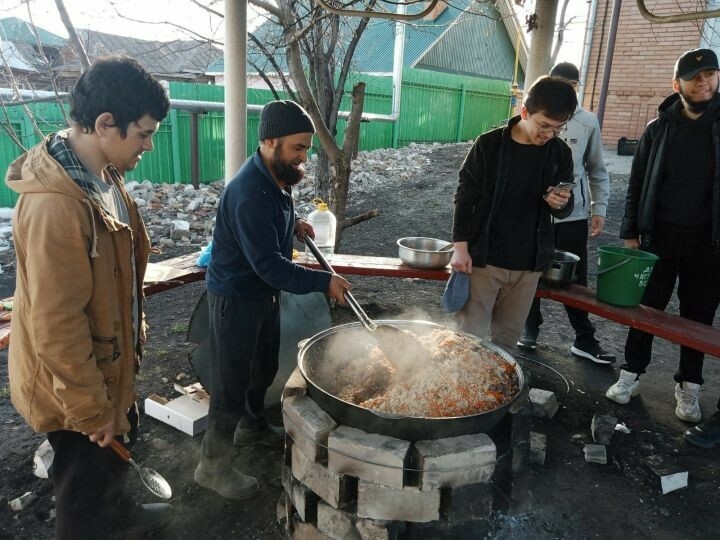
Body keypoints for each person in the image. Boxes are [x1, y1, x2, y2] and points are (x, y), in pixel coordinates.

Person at [5, 56, 171, 539]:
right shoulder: (57, 205)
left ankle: (119, 518)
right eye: (142, 133)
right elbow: (56, 324)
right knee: (82, 487)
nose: (148, 144)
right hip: (73, 382)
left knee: (112, 466)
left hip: (107, 362)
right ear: (104, 125)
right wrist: (92, 409)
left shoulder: (102, 175)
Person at [194, 100, 351, 500]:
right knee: (230, 387)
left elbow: (272, 226)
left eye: (306, 148)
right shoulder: (248, 192)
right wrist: (324, 282)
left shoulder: (276, 178)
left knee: (261, 368)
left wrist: (292, 224)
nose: (304, 156)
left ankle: (253, 426)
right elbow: (271, 267)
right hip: (236, 298)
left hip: (261, 296)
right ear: (269, 141)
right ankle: (212, 468)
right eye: (298, 148)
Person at [605, 48, 720, 425]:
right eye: (695, 77)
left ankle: (689, 385)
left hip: (709, 241)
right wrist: (630, 232)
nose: (704, 83)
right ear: (677, 85)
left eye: (711, 75)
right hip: (660, 236)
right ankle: (631, 373)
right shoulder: (658, 129)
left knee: (698, 318)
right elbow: (637, 185)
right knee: (647, 308)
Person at [449, 76, 577, 349]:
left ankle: (499, 391)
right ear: (525, 112)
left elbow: (566, 207)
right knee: (468, 339)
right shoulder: (489, 145)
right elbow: (465, 195)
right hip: (485, 259)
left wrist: (560, 203)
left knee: (506, 342)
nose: (549, 135)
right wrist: (460, 247)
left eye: (558, 129)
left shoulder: (560, 153)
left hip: (528, 265)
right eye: (543, 126)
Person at [517, 62, 616, 364]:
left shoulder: (587, 122)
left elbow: (597, 168)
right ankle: (529, 327)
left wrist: (598, 207)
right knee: (529, 271)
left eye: (570, 86)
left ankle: (584, 338)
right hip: (534, 215)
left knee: (574, 278)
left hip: (572, 216)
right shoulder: (529, 119)